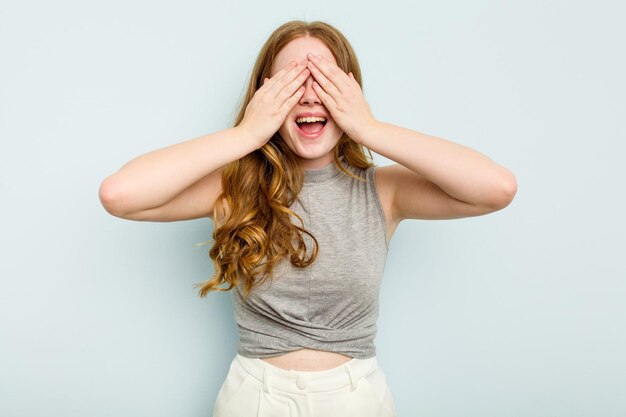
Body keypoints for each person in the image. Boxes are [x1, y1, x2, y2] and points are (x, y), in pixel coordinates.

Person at [99, 20, 517, 417]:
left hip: (357, 399)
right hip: (254, 398)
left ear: (351, 92)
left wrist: (368, 127)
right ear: (265, 95)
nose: (311, 96)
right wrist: (246, 134)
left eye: (326, 81)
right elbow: (120, 195)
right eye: (294, 81)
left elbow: (496, 188)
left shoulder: (384, 191)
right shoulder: (232, 189)